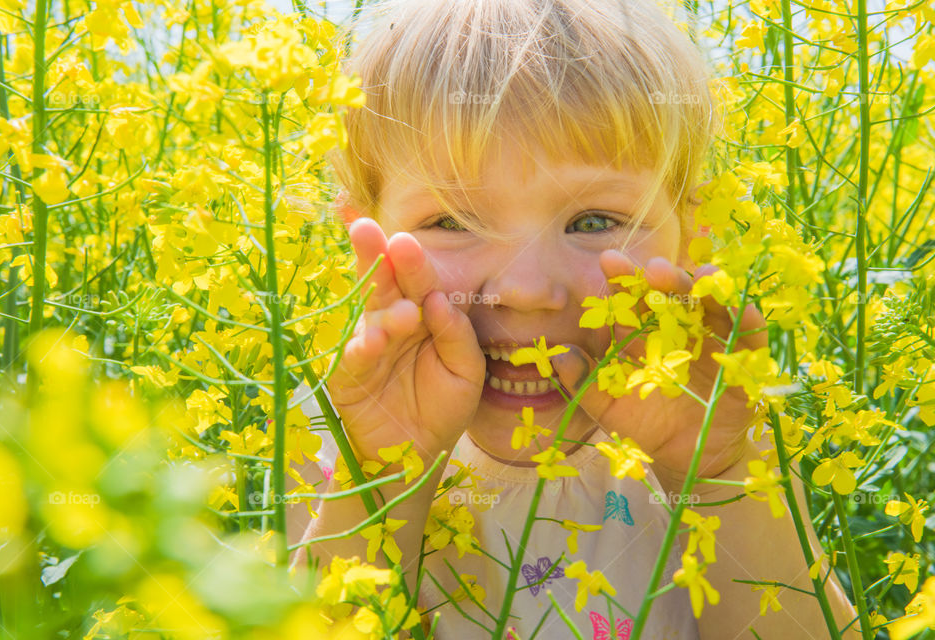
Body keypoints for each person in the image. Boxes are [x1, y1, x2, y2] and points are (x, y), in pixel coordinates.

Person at [288, 0, 861, 637]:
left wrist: (719, 471)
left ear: (692, 234)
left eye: (593, 222)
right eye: (451, 222)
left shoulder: (720, 423)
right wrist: (387, 478)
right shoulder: (331, 437)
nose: (526, 290)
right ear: (361, 238)